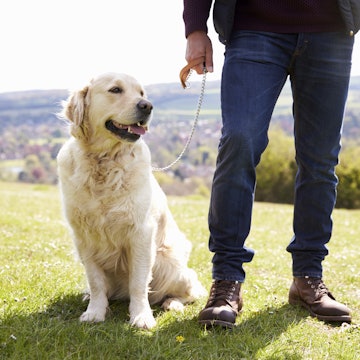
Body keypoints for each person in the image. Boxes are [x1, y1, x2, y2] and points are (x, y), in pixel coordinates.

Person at [183, 0, 359, 328]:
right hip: (254, 28)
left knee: (320, 160)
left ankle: (308, 277)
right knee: (239, 141)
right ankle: (226, 281)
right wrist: (195, 28)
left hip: (331, 31)